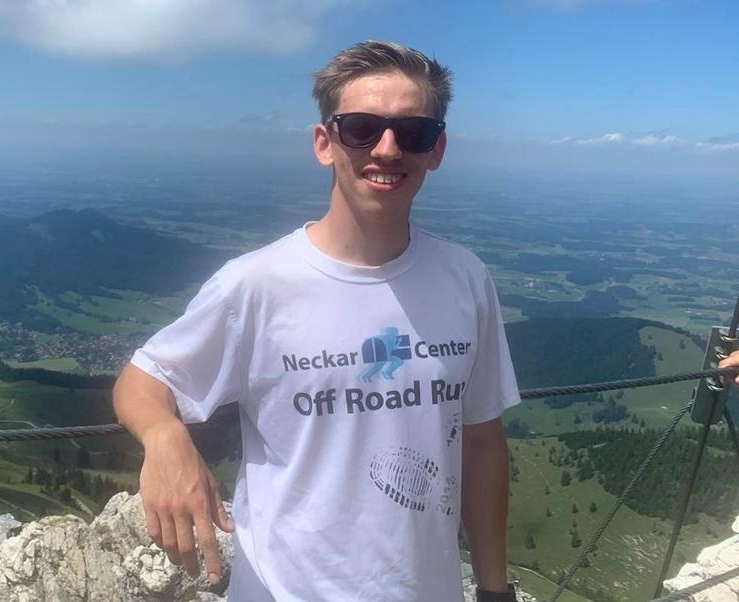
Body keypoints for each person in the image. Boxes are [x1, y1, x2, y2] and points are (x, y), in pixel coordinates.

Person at [113, 40, 522, 601]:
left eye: (414, 132)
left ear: (437, 149)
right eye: (361, 128)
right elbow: (142, 380)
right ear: (324, 143)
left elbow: (481, 444)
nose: (387, 149)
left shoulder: (466, 279)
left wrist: (495, 591)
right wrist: (164, 436)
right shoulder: (255, 285)